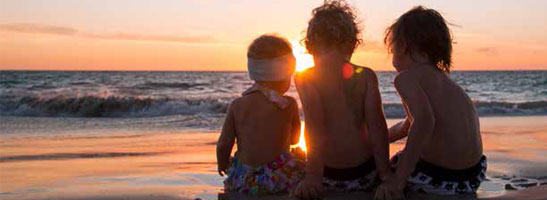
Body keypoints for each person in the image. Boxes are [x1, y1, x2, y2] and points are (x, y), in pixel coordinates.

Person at [375, 6, 486, 199]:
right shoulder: (443, 82)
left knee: (380, 173)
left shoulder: (406, 79)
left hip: (438, 178)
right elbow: (407, 127)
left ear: (401, 46)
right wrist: (375, 141)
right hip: (472, 177)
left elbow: (424, 121)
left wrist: (398, 180)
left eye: (392, 49)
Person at [292, 1, 392, 199]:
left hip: (326, 177)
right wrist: (386, 175)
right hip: (366, 174)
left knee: (289, 161)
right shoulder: (366, 76)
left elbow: (314, 125)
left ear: (309, 44)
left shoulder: (305, 77)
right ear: (352, 43)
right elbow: (377, 127)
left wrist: (312, 176)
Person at [216, 34, 304, 195]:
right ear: (284, 75)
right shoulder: (288, 104)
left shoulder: (237, 105)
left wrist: (222, 164)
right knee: (302, 163)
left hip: (245, 179)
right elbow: (294, 140)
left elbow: (224, 144)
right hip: (278, 178)